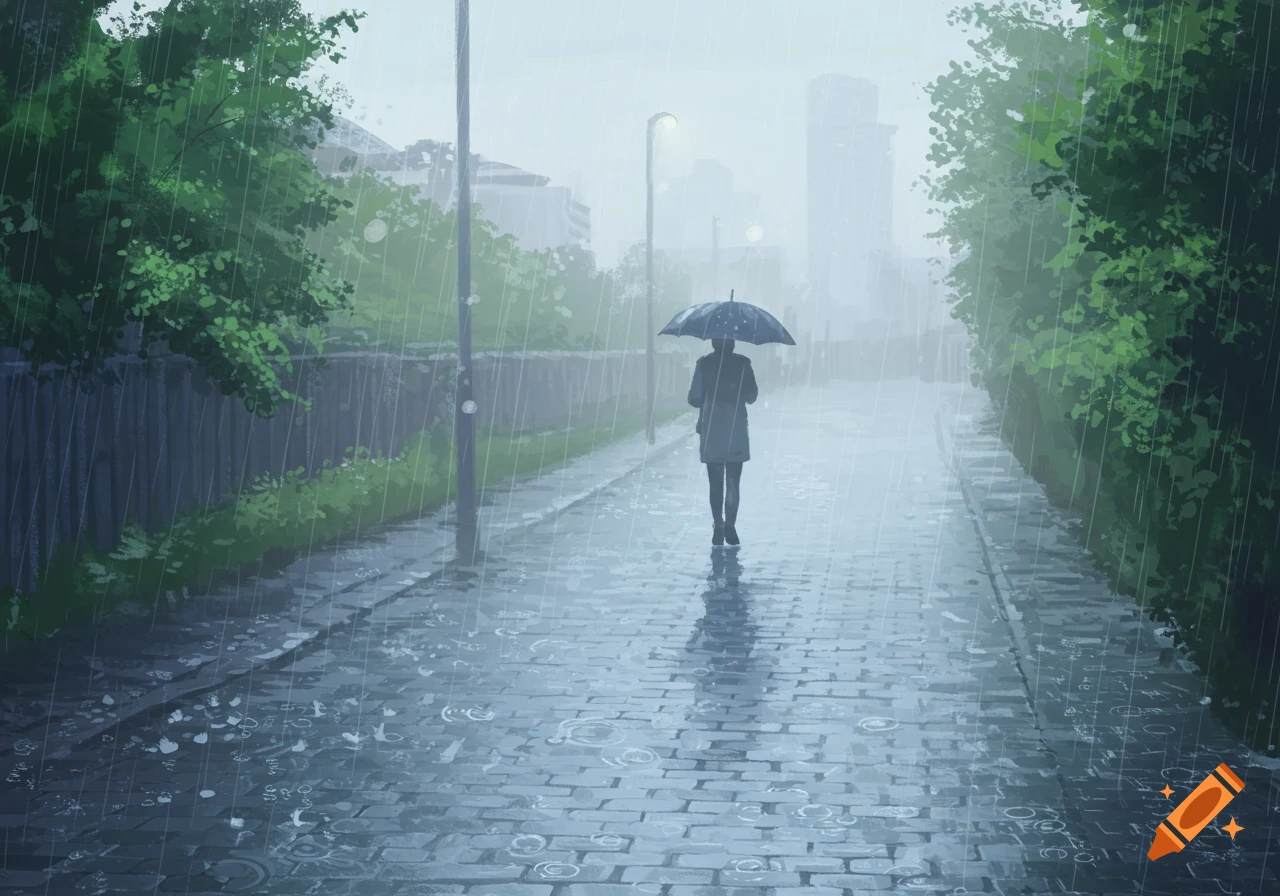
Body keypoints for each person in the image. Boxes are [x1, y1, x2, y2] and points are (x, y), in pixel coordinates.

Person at [687, 338, 758, 545]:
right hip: (735, 428)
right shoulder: (743, 364)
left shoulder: (704, 363)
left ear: (713, 343)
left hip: (712, 428)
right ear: (733, 344)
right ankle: (731, 526)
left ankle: (718, 525)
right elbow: (752, 396)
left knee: (715, 482)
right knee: (733, 483)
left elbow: (694, 399)